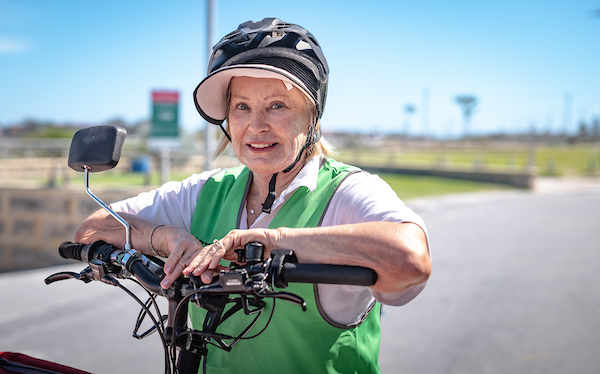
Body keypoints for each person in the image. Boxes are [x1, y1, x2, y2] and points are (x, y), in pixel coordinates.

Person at [75, 18, 431, 374]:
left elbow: (410, 257)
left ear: (313, 117)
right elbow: (91, 231)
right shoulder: (205, 191)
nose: (256, 125)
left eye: (277, 105)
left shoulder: (347, 192)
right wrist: (167, 237)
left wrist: (272, 240)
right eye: (241, 107)